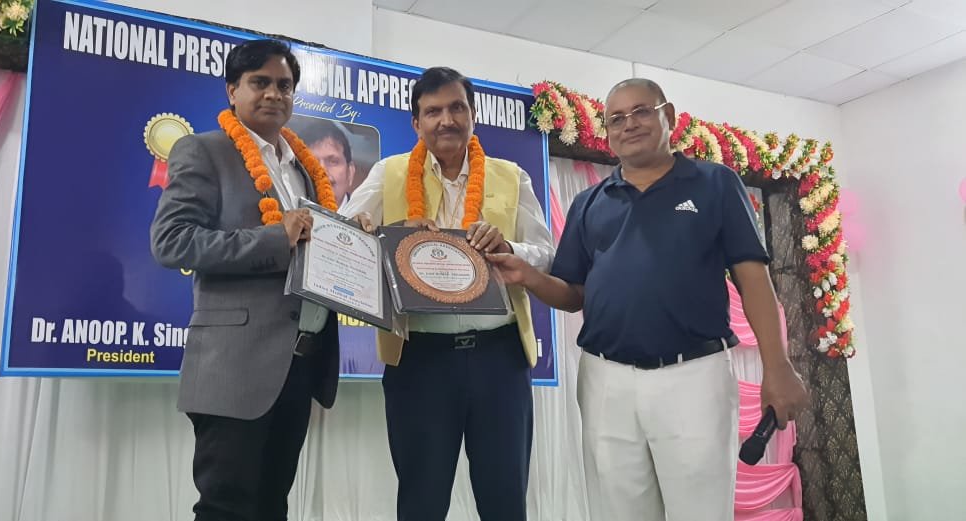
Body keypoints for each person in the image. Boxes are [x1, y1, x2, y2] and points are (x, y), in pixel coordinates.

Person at [488, 78, 810, 521]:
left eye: (641, 111)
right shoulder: (588, 203)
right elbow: (572, 295)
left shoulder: (716, 184)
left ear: (669, 116)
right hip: (605, 380)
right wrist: (526, 276)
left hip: (693, 376)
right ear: (606, 131)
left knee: (700, 511)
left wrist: (778, 366)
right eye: (616, 118)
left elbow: (752, 278)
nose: (629, 124)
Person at [342, 66, 554, 520]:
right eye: (433, 111)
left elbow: (546, 253)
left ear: (472, 115)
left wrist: (509, 247)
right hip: (420, 359)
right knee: (421, 500)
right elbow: (344, 235)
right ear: (416, 123)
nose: (446, 120)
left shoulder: (511, 177)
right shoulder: (389, 173)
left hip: (499, 360)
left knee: (504, 499)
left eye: (457, 107)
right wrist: (391, 231)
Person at [149, 39, 340, 521]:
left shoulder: (306, 172)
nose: (274, 94)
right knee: (226, 509)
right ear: (233, 90)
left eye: (284, 85)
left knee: (273, 504)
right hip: (234, 366)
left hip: (299, 363)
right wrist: (275, 239)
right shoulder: (203, 151)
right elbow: (172, 242)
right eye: (260, 82)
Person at [296, 118, 358, 204]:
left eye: (333, 162)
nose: (322, 172)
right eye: (312, 162)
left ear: (350, 173)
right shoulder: (284, 212)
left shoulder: (372, 214)